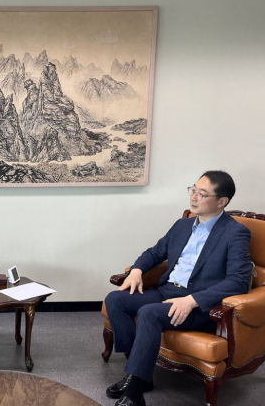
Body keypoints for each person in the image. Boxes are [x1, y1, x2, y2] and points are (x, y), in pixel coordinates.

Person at [104, 170, 251, 406]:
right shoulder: (182, 225)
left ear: (222, 201)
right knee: (115, 299)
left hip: (198, 306)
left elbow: (239, 280)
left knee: (148, 313)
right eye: (193, 190)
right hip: (166, 292)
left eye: (202, 194)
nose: (193, 197)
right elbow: (154, 253)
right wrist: (137, 270)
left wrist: (192, 300)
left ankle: (134, 392)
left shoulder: (235, 233)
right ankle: (138, 375)